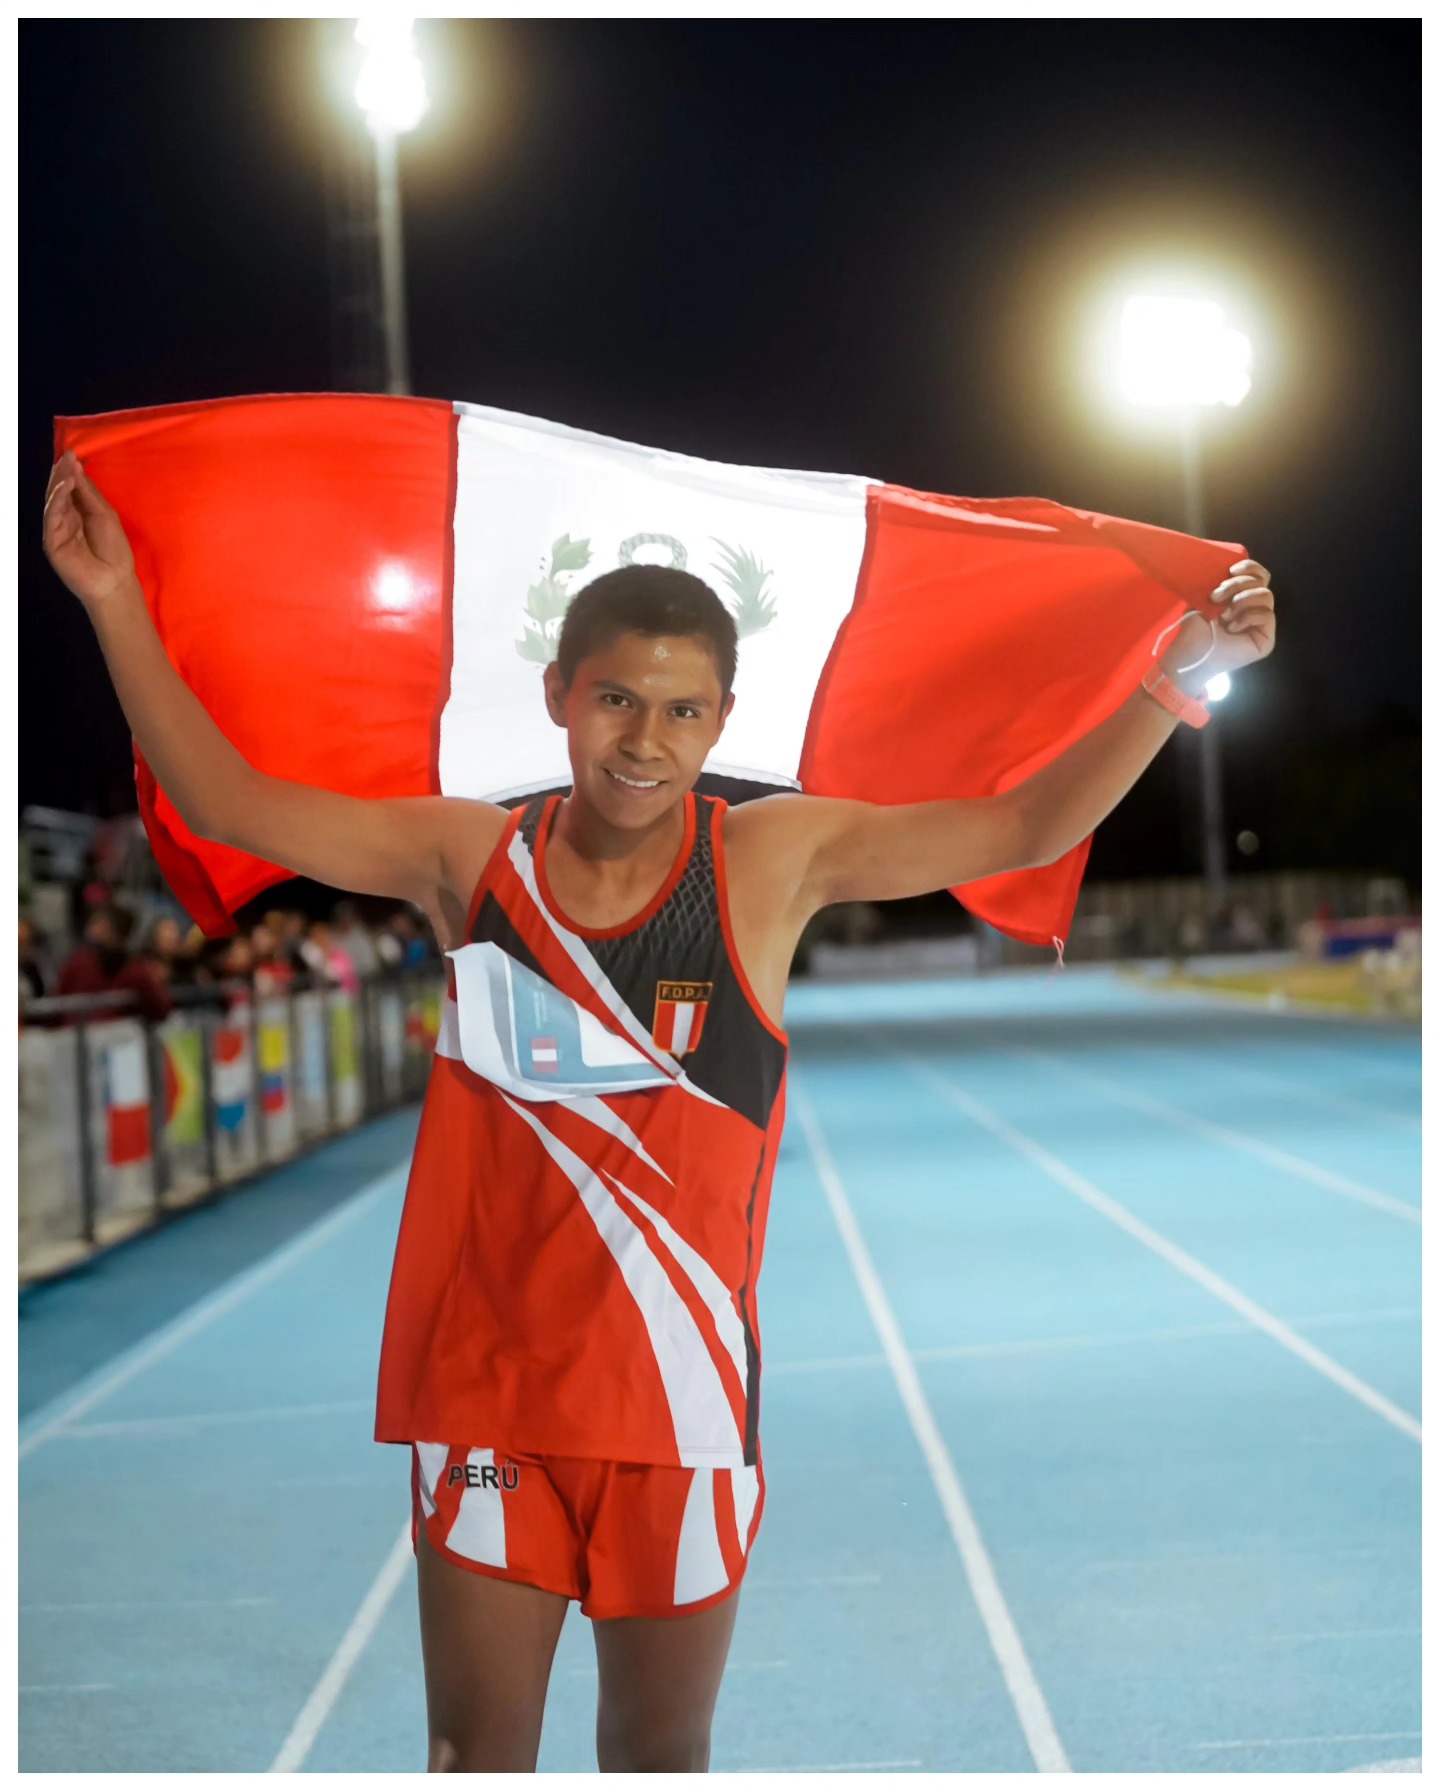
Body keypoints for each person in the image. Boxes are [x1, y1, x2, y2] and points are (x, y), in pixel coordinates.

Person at [43, 448, 1276, 1772]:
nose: (647, 739)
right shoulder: (467, 856)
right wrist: (112, 601)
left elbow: (1026, 823)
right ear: (559, 695)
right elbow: (230, 803)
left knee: (656, 1758)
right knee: (475, 1755)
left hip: (677, 1415)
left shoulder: (769, 860)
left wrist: (1183, 673)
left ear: (725, 715)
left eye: (686, 712)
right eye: (618, 699)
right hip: (490, 1404)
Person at [55, 899, 173, 1024]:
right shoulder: (78, 963)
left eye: (100, 925)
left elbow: (160, 1008)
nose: (93, 929)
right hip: (77, 1037)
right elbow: (56, 1004)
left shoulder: (134, 971)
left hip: (119, 1039)